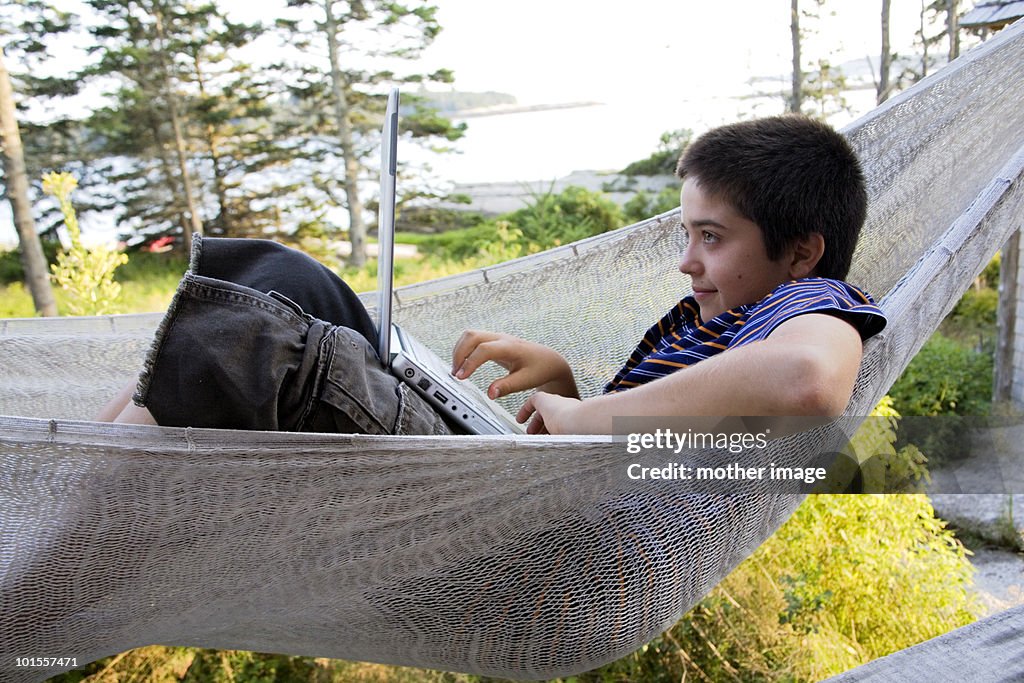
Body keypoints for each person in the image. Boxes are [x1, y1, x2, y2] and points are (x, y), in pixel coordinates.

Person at [100, 114, 886, 434]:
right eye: (688, 234)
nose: (688, 261)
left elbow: (809, 380)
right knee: (283, 286)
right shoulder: (717, 322)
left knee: (255, 324)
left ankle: (61, 508)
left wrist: (585, 420)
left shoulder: (812, 303)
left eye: (711, 238)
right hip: (519, 489)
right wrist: (570, 385)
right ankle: (72, 479)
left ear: (802, 250)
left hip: (541, 537)